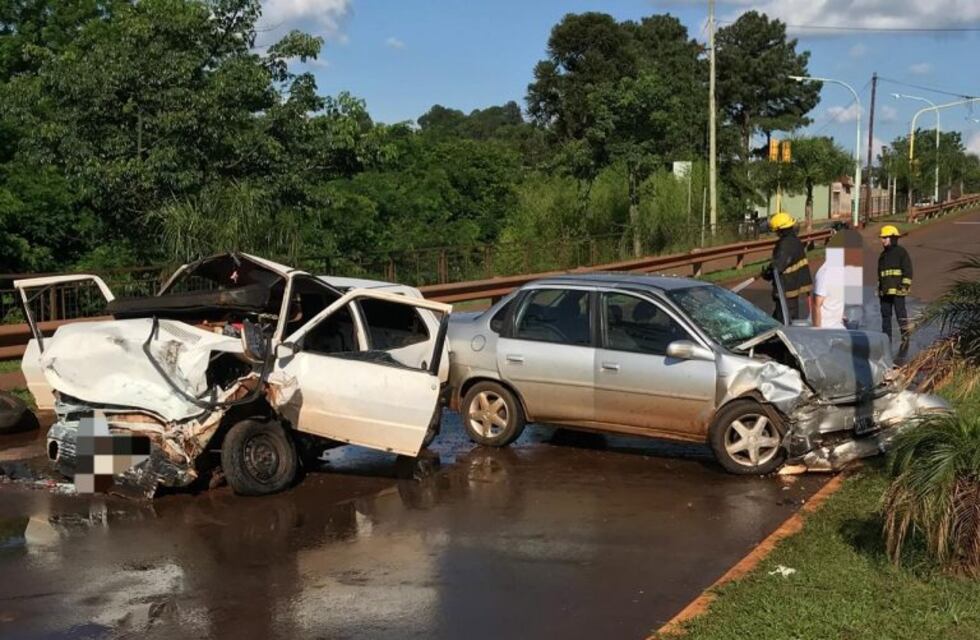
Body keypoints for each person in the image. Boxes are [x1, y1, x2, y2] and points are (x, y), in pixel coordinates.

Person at [762, 212, 813, 323]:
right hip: (791, 290)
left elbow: (778, 266)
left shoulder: (785, 244)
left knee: (785, 322)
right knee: (778, 321)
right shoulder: (795, 241)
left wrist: (767, 273)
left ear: (780, 229)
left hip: (786, 290)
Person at [812, 229, 864, 329]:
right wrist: (817, 332)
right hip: (826, 328)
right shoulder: (826, 273)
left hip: (837, 324)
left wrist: (841, 315)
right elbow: (816, 305)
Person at [878, 225, 913, 343]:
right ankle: (886, 339)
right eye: (882, 238)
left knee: (900, 314)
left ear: (892, 238)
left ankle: (905, 337)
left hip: (898, 291)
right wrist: (880, 289)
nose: (882, 240)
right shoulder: (882, 256)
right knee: (885, 316)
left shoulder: (901, 253)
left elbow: (908, 271)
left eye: (885, 237)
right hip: (885, 292)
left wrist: (905, 285)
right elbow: (881, 274)